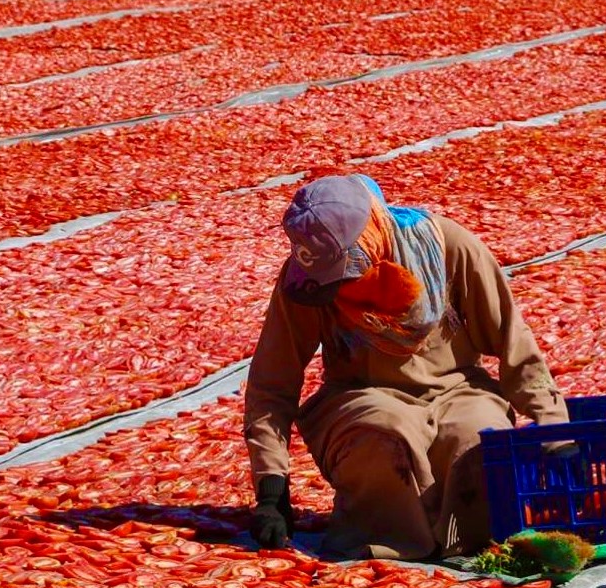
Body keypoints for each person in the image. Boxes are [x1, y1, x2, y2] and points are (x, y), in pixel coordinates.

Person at [243, 173, 569, 560]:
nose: (340, 287)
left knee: (477, 437)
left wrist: (554, 430)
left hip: (458, 389)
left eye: (346, 272)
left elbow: (512, 339)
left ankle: (466, 536)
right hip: (361, 394)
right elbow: (272, 380)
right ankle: (390, 537)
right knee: (386, 434)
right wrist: (271, 488)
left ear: (372, 234)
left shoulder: (448, 247)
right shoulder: (306, 282)